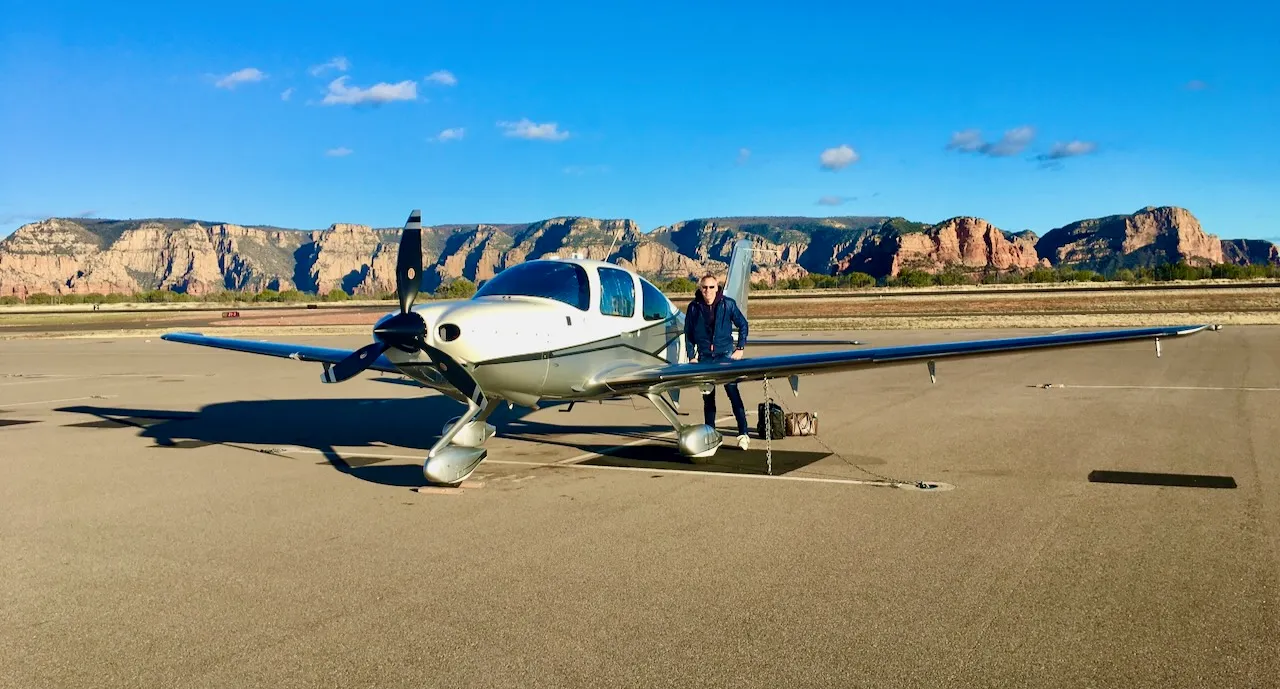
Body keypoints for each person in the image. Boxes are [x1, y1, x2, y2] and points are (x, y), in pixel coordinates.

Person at [684, 272, 750, 449]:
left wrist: (740, 348)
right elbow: (689, 333)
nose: (708, 291)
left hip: (725, 355)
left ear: (717, 288)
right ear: (700, 288)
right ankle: (710, 433)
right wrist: (692, 356)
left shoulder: (728, 304)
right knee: (708, 398)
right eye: (704, 287)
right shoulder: (693, 307)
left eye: (711, 287)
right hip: (705, 357)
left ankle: (743, 433)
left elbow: (743, 325)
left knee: (732, 392)